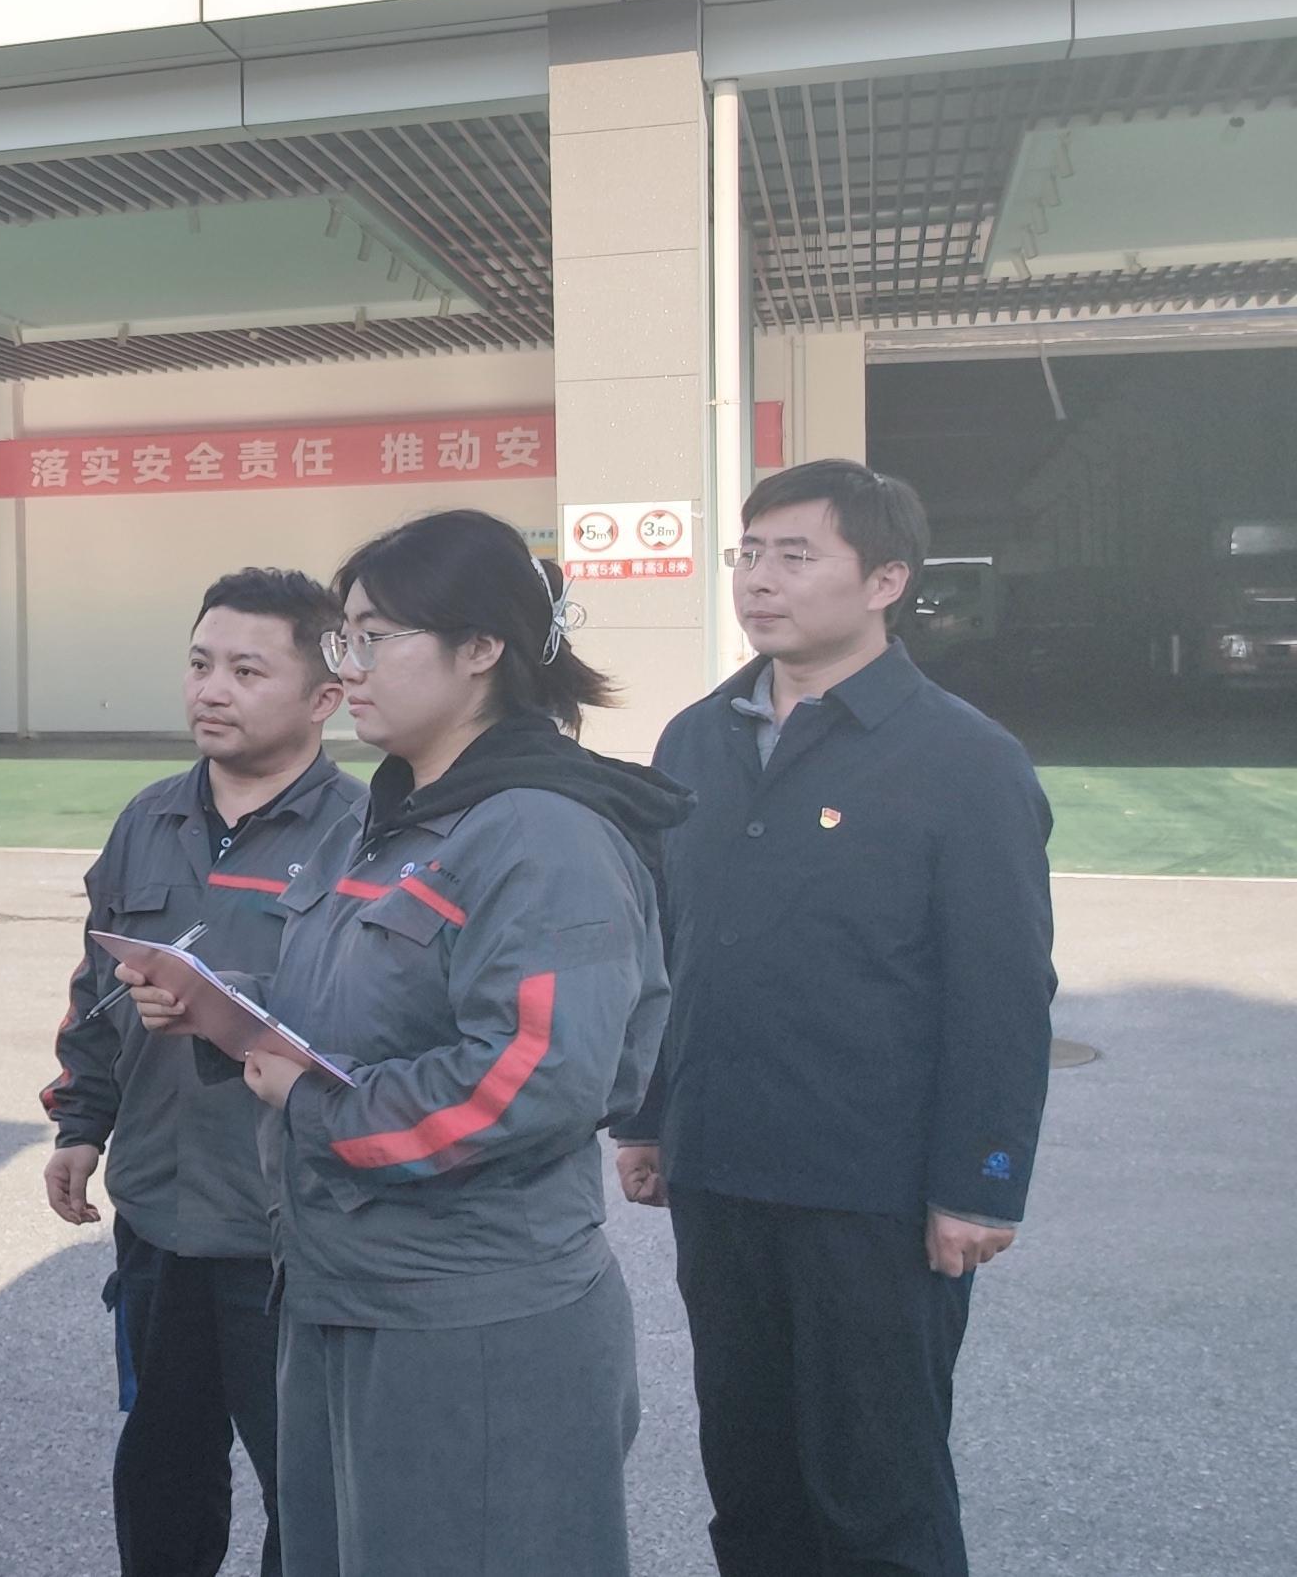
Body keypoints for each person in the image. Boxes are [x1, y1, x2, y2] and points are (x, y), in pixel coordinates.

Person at [131, 509, 687, 1577]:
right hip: (345, 1288)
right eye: (344, 636)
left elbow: (530, 1080)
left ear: (480, 648)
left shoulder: (541, 833)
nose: (349, 664)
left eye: (375, 636)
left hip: (467, 1319)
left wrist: (314, 1100)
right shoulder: (392, 820)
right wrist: (227, 1007)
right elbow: (363, 999)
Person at [613, 460, 1055, 1577]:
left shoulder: (964, 759)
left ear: (885, 581)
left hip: (873, 1192)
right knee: (750, 1480)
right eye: (748, 554)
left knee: (875, 1495)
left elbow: (1003, 991)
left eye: (795, 556)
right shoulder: (696, 738)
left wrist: (980, 1180)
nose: (758, 580)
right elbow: (669, 945)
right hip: (721, 1170)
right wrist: (648, 1118)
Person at [43, 568, 363, 1577]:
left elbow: (373, 1025)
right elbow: (96, 989)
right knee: (162, 1467)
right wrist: (81, 1124)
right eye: (199, 663)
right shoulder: (149, 818)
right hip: (157, 1215)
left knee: (303, 1483)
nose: (211, 689)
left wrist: (228, 1011)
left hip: (285, 1226)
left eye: (246, 671)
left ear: (324, 696)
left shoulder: (362, 836)